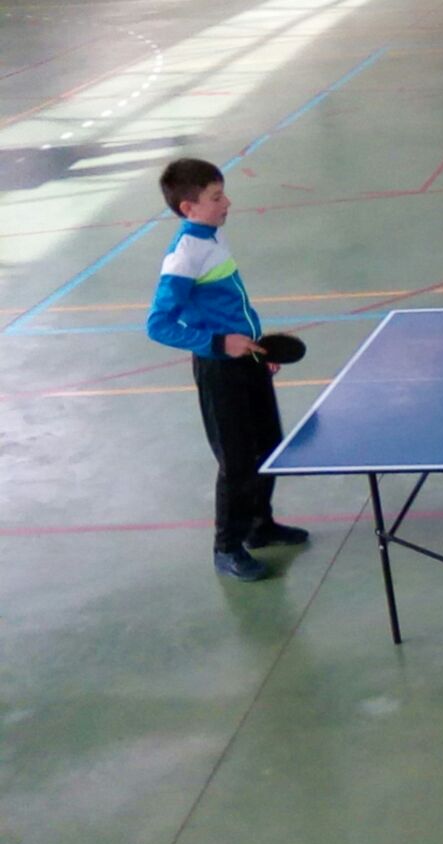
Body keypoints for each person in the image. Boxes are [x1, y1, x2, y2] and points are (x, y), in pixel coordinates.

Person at [147, 157, 308, 581]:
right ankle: (227, 548)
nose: (227, 203)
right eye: (216, 197)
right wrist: (219, 343)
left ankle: (259, 526)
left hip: (247, 359)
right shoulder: (185, 254)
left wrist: (257, 347)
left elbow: (231, 306)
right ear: (189, 207)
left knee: (269, 446)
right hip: (220, 371)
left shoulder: (213, 234)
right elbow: (158, 324)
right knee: (236, 461)